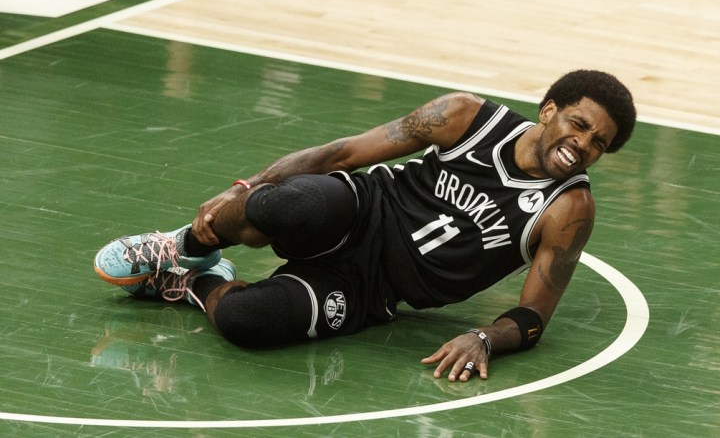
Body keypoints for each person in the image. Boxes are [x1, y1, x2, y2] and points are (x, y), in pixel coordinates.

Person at [94, 69, 636, 383]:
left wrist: (484, 338)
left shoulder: (569, 210)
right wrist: (245, 188)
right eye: (579, 124)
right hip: (360, 208)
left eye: (599, 144)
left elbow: (533, 315)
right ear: (548, 110)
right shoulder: (467, 116)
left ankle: (193, 282)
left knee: (245, 321)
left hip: (370, 290)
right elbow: (344, 152)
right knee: (279, 204)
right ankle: (179, 247)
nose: (582, 145)